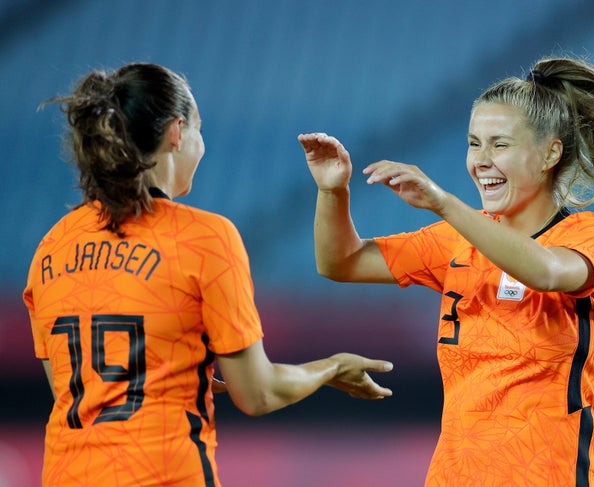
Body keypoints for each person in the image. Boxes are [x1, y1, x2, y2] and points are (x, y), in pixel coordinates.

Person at [299, 56, 594, 486]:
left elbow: (546, 272)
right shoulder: (457, 239)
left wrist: (443, 202)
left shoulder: (591, 235)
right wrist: (332, 191)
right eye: (474, 143)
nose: (481, 160)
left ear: (550, 153)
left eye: (500, 144)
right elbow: (340, 262)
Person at [23, 62, 393, 487]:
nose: (202, 146)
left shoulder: (52, 245)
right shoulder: (205, 237)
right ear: (176, 132)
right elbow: (259, 393)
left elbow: (77, 391)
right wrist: (330, 368)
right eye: (199, 130)